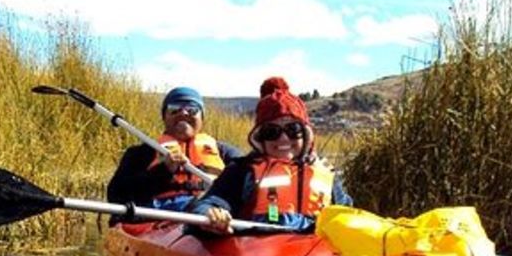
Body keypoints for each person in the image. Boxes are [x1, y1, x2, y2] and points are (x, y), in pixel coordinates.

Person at [190, 77, 351, 234]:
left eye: (293, 129)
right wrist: (211, 214)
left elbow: (347, 216)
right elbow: (208, 204)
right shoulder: (241, 171)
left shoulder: (327, 175)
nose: (283, 138)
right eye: (271, 132)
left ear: (305, 134)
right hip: (259, 255)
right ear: (260, 137)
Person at [105, 86, 241, 212]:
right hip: (160, 215)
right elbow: (115, 195)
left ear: (202, 118)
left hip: (212, 211)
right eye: (174, 109)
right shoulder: (142, 153)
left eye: (192, 109)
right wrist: (163, 170)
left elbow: (248, 182)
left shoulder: (225, 152)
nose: (183, 113)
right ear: (164, 117)